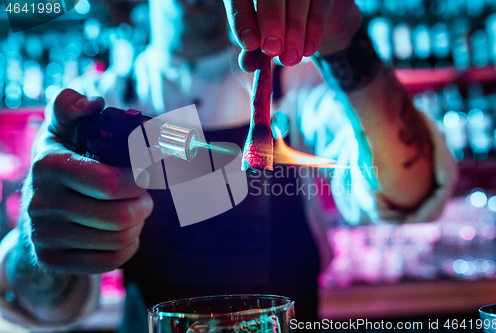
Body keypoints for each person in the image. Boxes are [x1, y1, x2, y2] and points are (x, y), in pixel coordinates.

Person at [0, 0, 457, 331]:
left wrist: (344, 45)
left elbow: (407, 191)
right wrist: (37, 239)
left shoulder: (299, 82)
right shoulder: (102, 106)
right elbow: (50, 309)